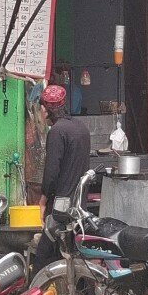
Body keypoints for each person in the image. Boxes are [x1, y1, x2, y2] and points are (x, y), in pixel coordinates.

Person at [33, 84, 91, 274]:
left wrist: (43, 200)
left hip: (61, 205)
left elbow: (52, 173)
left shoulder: (57, 132)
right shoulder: (81, 128)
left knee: (43, 254)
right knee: (73, 252)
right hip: (79, 203)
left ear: (45, 109)